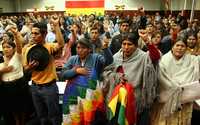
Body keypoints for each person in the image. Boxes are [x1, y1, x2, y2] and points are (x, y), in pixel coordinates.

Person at [103, 32, 160, 125]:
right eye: (124, 44)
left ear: (136, 45)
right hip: (117, 99)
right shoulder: (116, 57)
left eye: (129, 44)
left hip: (135, 99)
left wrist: (147, 41)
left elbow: (156, 57)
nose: (126, 47)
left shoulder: (143, 57)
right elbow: (106, 73)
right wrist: (117, 77)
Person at [22, 15, 64, 125]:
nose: (33, 36)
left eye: (36, 33)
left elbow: (61, 44)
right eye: (32, 33)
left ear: (44, 34)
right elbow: (25, 70)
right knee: (41, 116)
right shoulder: (28, 49)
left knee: (54, 116)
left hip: (49, 87)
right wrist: (30, 67)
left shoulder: (49, 47)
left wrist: (56, 25)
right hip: (35, 87)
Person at [61, 37, 113, 125]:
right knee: (75, 118)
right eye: (78, 48)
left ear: (89, 49)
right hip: (74, 96)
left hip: (90, 97)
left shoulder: (96, 58)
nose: (80, 50)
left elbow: (108, 61)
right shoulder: (73, 59)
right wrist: (76, 71)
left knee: (90, 119)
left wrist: (105, 48)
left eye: (83, 48)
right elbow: (63, 74)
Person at [150, 37, 200, 125]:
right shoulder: (163, 60)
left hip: (184, 101)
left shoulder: (193, 60)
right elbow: (161, 79)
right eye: (177, 45)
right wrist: (174, 87)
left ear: (186, 48)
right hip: (165, 101)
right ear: (172, 47)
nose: (180, 48)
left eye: (182, 46)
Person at [0, 26, 31, 125]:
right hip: (6, 87)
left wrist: (15, 34)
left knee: (21, 109)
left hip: (19, 85)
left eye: (8, 47)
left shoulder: (17, 56)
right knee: (12, 110)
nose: (6, 49)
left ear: (13, 49)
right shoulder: (1, 60)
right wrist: (3, 70)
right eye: (4, 47)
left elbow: (19, 45)